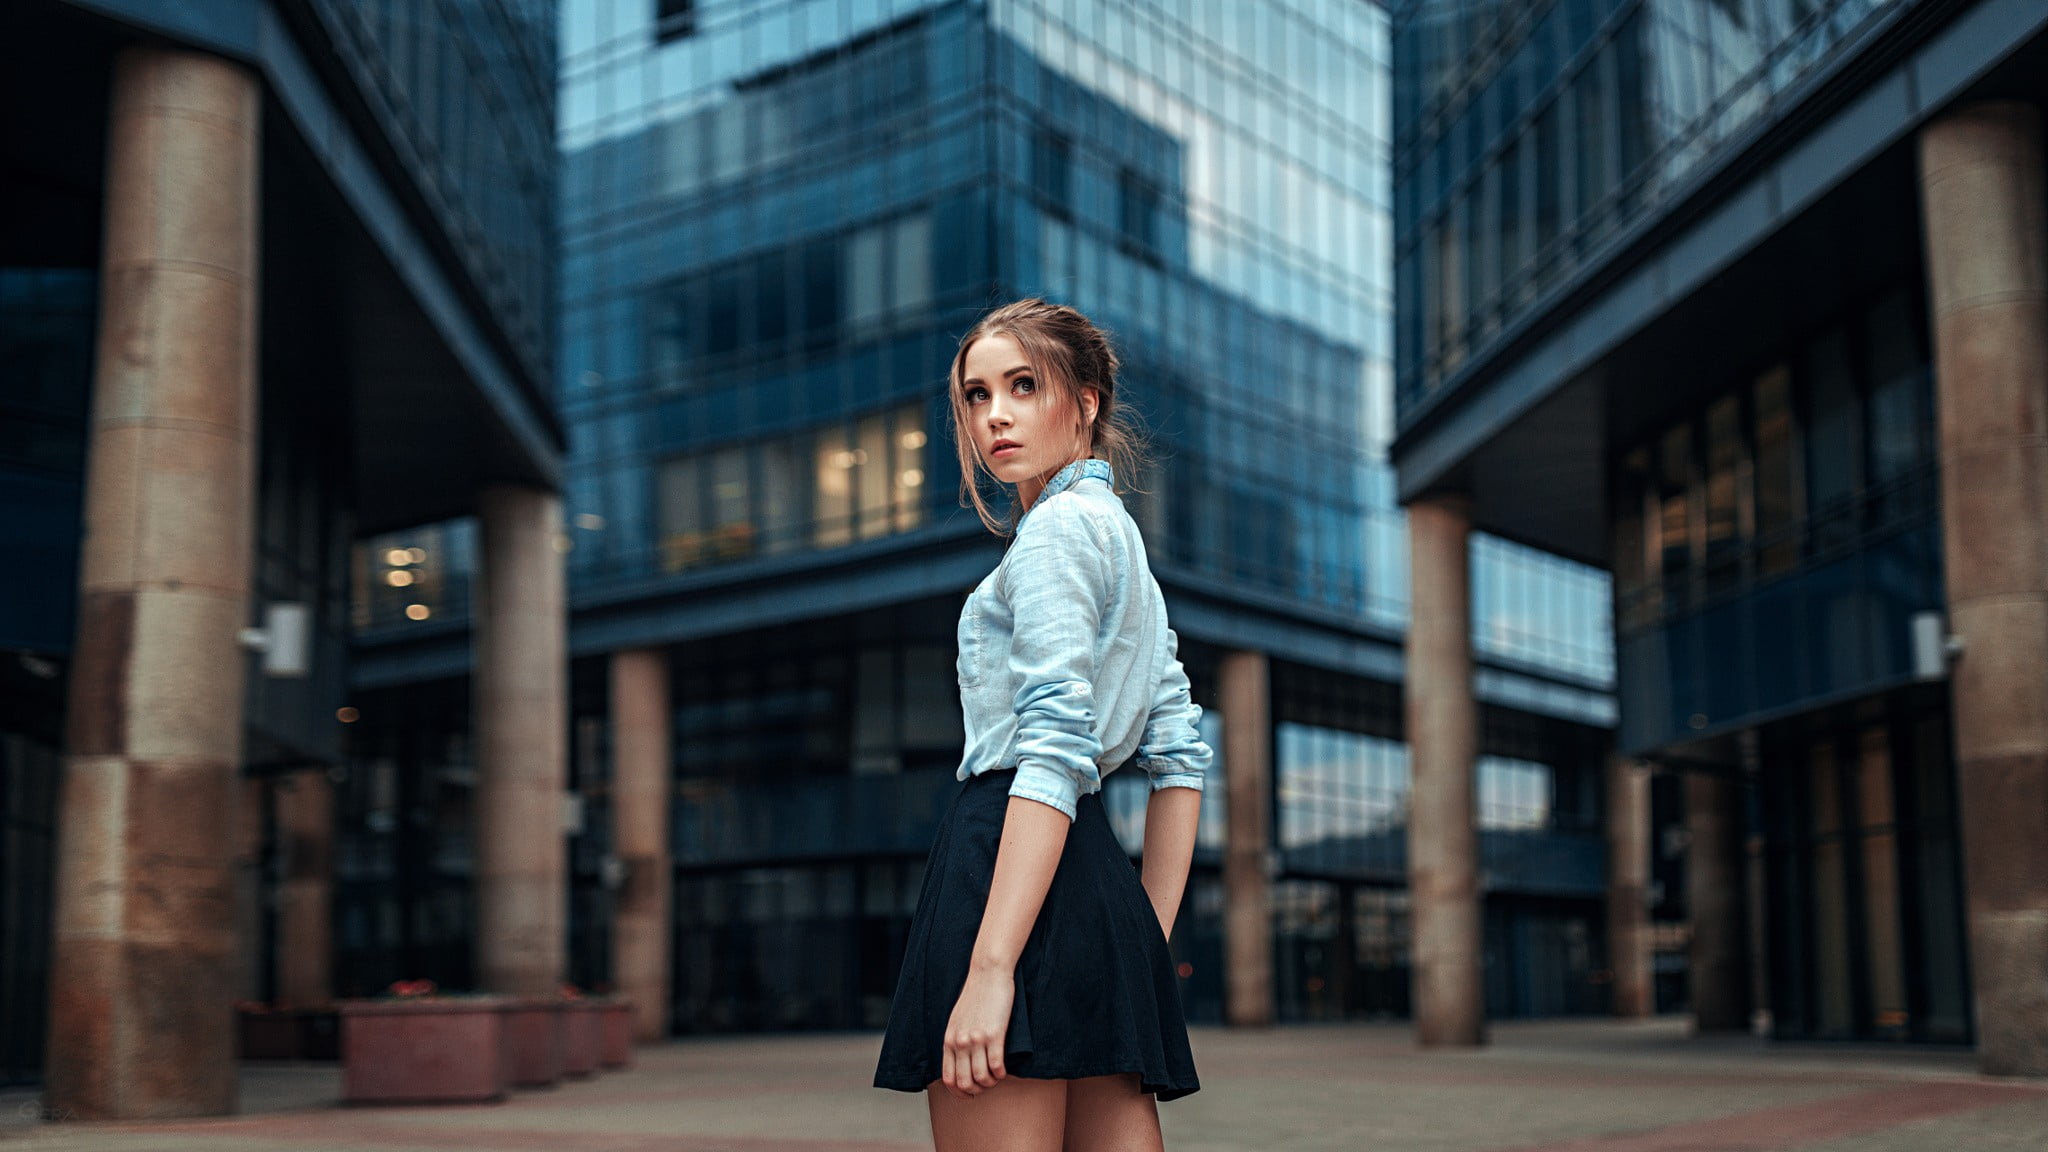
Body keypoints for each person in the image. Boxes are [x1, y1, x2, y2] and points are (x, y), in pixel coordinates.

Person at [873, 300, 1211, 1151]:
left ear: (1087, 401)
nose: (996, 415)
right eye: (977, 395)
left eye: (1024, 386)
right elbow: (1178, 757)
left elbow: (1055, 748)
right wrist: (1146, 942)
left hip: (1008, 857)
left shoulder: (1056, 533)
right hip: (1094, 884)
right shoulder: (1119, 536)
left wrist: (990, 969)